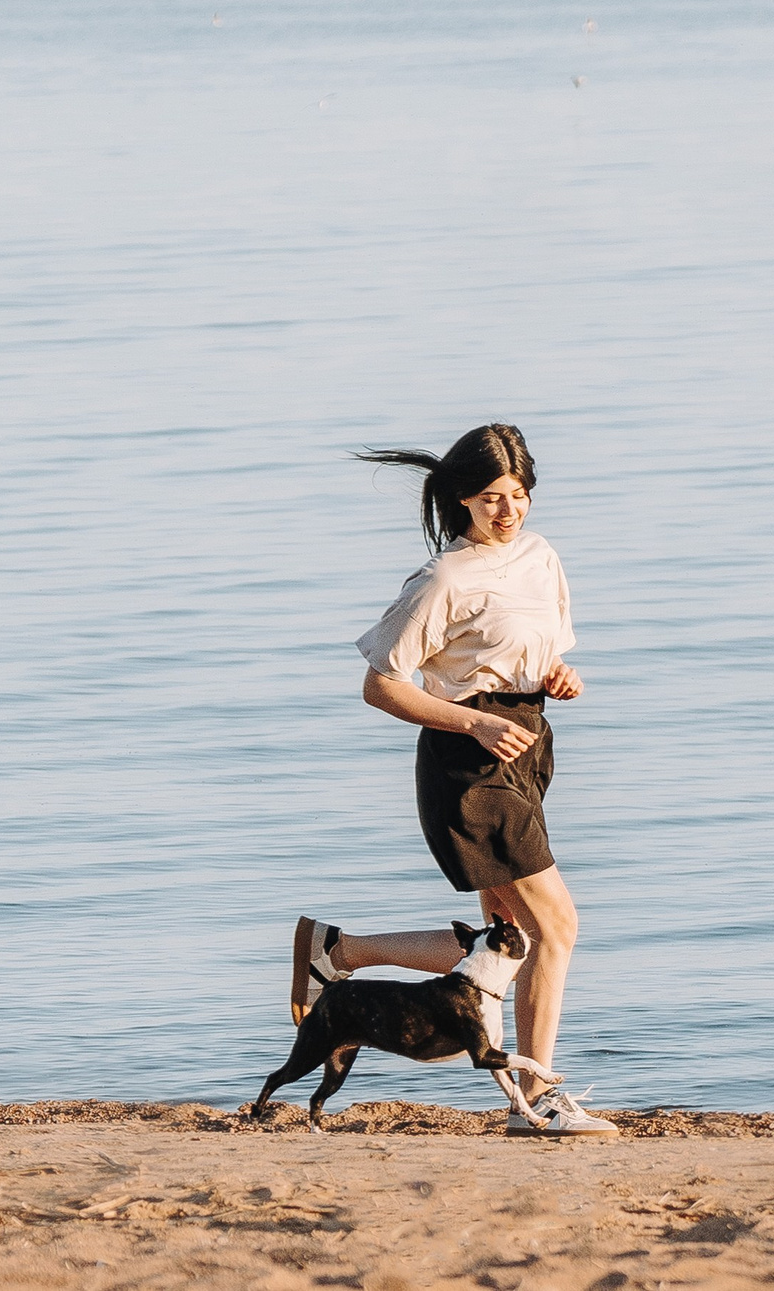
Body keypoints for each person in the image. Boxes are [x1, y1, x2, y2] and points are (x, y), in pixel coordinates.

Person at [291, 422, 616, 1135]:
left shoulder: (541, 557)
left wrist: (560, 678)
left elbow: (543, 654)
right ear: (463, 499)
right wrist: (472, 723)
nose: (509, 510)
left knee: (509, 937)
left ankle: (337, 951)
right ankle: (544, 1098)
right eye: (492, 497)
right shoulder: (444, 578)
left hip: (527, 747)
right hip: (467, 761)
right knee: (556, 925)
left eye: (519, 494)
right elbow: (381, 685)